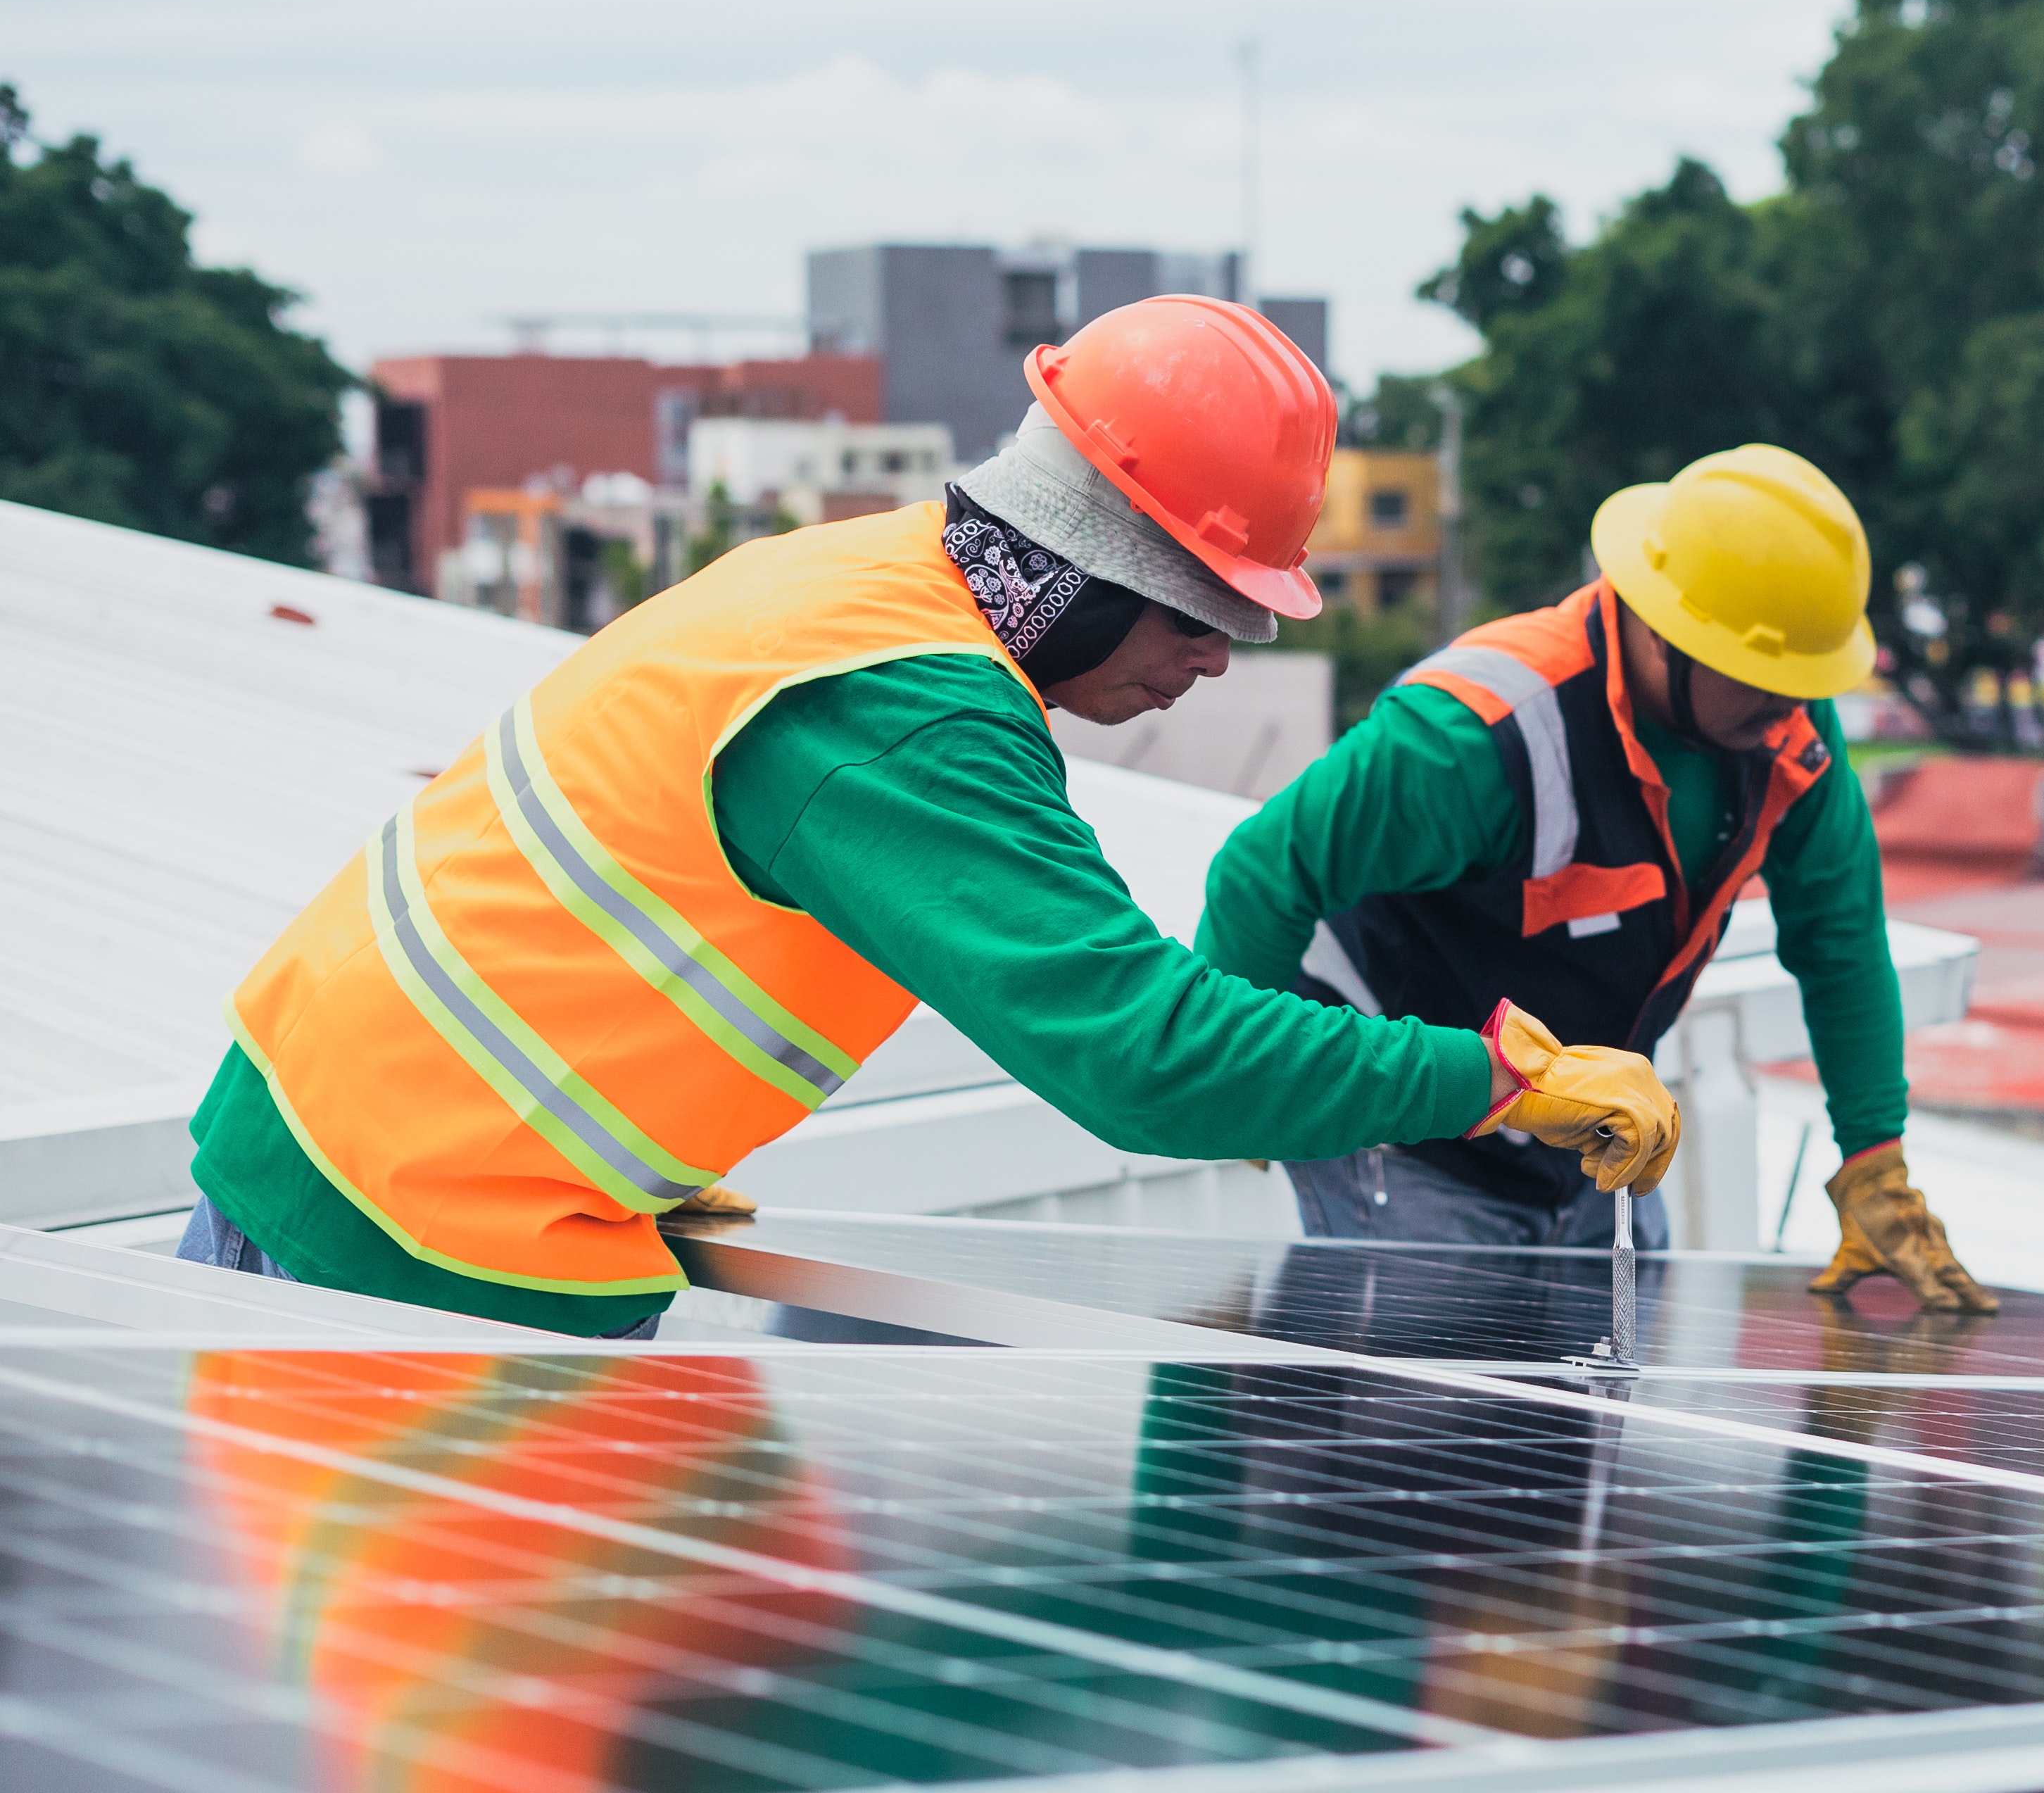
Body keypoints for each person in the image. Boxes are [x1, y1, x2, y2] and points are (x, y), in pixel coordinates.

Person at [179, 296, 1678, 1337]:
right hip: (399, 1229)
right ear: (1101, 557)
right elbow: (1139, 1058)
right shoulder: (905, 712)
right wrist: (1492, 1077)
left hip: (388, 1156)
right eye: (1207, 611)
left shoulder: (865, 580)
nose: (1218, 658)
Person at [1196, 443, 1992, 1311]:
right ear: (1663, 630)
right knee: (1433, 1418)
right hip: (1410, 1139)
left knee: (1590, 1420)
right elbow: (1261, 874)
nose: (1792, 708)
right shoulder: (1474, 734)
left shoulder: (1785, 737)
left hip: (1591, 1141)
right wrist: (1250, 1088)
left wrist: (1874, 1161)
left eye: (1804, 682)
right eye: (1767, 678)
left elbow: (1840, 944)